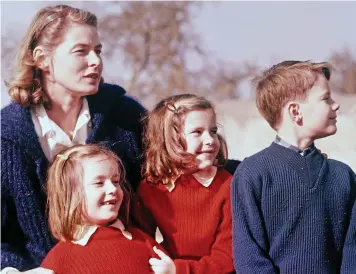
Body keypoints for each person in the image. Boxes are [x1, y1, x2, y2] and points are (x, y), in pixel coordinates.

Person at [1, 5, 146, 273]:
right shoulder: (6, 137)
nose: (96, 61)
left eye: (98, 51)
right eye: (81, 51)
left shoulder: (124, 116)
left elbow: (175, 166)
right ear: (42, 59)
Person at [231, 60, 356, 273]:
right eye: (326, 99)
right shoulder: (252, 174)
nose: (336, 105)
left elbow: (352, 253)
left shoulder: (343, 176)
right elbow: (249, 257)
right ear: (295, 112)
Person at [135, 94, 234, 273]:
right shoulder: (151, 187)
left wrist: (178, 269)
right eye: (197, 132)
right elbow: (141, 240)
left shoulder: (228, 185)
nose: (210, 140)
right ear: (170, 139)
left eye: (213, 131)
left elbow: (226, 257)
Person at [41, 144, 176, 274]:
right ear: (69, 194)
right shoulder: (60, 258)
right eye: (99, 183)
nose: (113, 189)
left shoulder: (143, 241)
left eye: (116, 181)